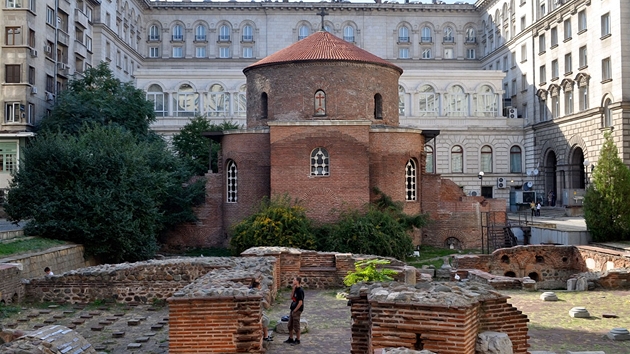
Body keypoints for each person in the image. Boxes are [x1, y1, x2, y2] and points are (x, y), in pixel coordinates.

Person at [284, 276, 304, 346]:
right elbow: (291, 297)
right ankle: (291, 338)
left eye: (294, 279)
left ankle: (298, 340)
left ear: (297, 281)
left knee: (296, 326)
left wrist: (295, 310)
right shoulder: (295, 289)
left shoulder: (300, 291)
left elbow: (300, 302)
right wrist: (293, 289)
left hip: (297, 310)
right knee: (290, 325)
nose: (293, 280)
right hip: (292, 309)